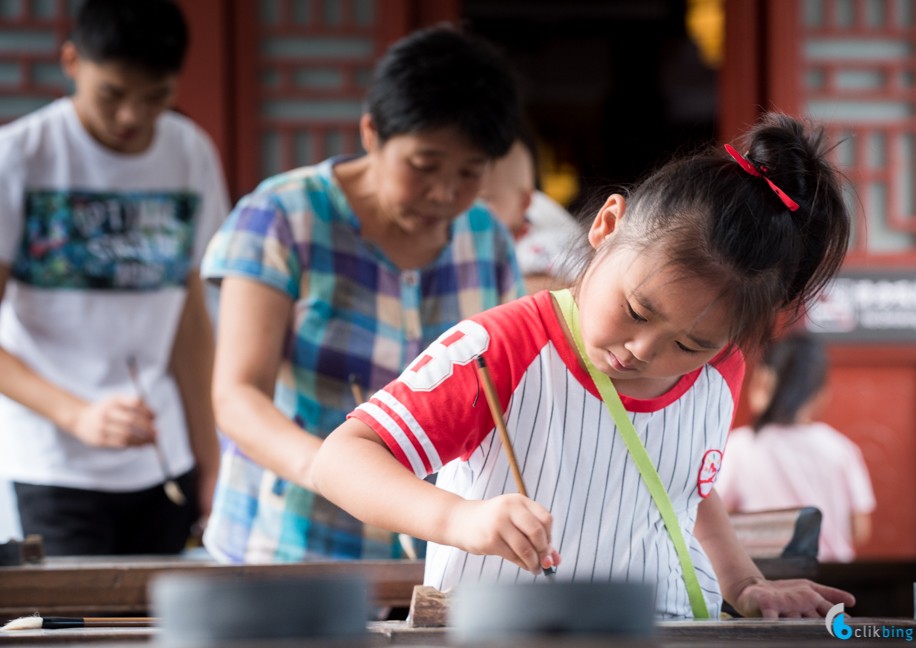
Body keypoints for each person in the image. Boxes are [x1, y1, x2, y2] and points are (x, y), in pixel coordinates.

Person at [313, 112, 857, 619]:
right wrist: (459, 518)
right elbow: (342, 459)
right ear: (606, 224)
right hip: (510, 628)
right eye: (637, 310)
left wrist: (744, 584)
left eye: (691, 344)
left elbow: (682, 484)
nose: (645, 351)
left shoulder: (721, 368)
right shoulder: (500, 347)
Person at [200, 24, 525, 564]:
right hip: (294, 538)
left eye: (470, 172)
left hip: (438, 546)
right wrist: (338, 474)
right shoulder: (284, 216)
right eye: (423, 167)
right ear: (371, 132)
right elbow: (237, 396)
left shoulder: (486, 237)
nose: (445, 193)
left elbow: (508, 385)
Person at [0, 0, 227, 555]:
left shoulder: (189, 151)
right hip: (51, 460)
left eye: (156, 97)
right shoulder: (21, 156)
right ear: (72, 61)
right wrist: (77, 413)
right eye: (113, 94)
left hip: (162, 456)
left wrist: (212, 459)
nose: (132, 116)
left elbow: (190, 321)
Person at [715, 332, 875, 563]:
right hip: (833, 579)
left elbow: (716, 516)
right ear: (821, 395)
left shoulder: (741, 447)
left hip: (765, 578)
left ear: (762, 382)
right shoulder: (841, 449)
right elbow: (859, 530)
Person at [479, 138, 582, 293]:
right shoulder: (466, 236)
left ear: (524, 202)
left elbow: (583, 285)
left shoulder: (546, 246)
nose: (471, 208)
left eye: (485, 199)